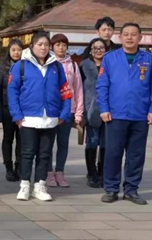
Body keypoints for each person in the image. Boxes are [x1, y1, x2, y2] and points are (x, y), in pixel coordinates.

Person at [98, 23, 152, 205]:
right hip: (115, 115)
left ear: (140, 37)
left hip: (140, 115)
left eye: (133, 34)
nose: (129, 37)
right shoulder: (110, 58)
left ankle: (131, 190)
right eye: (126, 34)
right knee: (113, 153)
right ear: (120, 37)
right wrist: (104, 108)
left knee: (136, 155)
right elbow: (102, 86)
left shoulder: (149, 60)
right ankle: (111, 189)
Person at [8, 32, 72, 202]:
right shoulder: (21, 66)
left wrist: (64, 113)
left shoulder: (56, 66)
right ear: (32, 46)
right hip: (28, 118)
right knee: (27, 153)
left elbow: (65, 91)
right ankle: (24, 185)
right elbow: (12, 91)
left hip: (50, 118)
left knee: (45, 154)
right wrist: (17, 115)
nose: (43, 48)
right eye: (39, 44)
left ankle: (40, 186)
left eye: (46, 45)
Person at [47, 34, 84, 188]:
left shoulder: (73, 65)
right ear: (52, 47)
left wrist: (78, 112)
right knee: (48, 143)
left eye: (63, 45)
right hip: (50, 110)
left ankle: (60, 172)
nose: (61, 48)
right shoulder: (48, 63)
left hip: (68, 110)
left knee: (63, 143)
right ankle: (49, 172)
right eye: (57, 45)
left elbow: (78, 89)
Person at [80, 38, 108, 188]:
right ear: (90, 50)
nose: (98, 50)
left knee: (105, 143)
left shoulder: (111, 64)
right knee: (92, 142)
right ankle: (91, 174)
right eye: (95, 48)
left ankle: (102, 173)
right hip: (90, 110)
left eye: (101, 48)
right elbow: (78, 88)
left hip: (109, 109)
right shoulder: (84, 66)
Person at [0, 39, 23, 182]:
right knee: (8, 138)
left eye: (19, 50)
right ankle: (8, 167)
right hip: (7, 108)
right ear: (9, 51)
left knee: (21, 139)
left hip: (23, 109)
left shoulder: (26, 66)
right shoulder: (2, 67)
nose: (16, 53)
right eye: (13, 50)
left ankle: (19, 166)